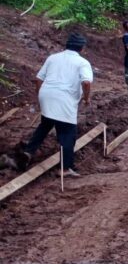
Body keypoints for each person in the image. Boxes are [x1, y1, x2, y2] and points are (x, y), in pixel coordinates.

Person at [19, 33, 93, 177]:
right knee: (68, 134)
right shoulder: (83, 62)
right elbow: (86, 82)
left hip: (46, 94)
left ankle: (28, 152)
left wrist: (40, 96)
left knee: (45, 124)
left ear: (67, 45)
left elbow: (38, 79)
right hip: (65, 99)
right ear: (82, 48)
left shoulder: (53, 58)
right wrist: (86, 98)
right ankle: (65, 169)